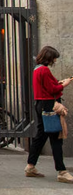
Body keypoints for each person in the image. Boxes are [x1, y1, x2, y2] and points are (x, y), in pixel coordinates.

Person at [26, 46, 73, 183]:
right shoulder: (45, 70)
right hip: (49, 105)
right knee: (56, 137)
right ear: (49, 57)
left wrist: (58, 83)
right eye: (54, 58)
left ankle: (30, 166)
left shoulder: (37, 69)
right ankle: (62, 171)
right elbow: (52, 89)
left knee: (41, 136)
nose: (54, 61)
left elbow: (45, 86)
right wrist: (64, 84)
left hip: (40, 104)